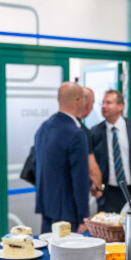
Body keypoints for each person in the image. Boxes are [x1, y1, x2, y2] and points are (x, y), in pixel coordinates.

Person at [34, 81, 91, 233]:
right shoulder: (76, 133)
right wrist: (84, 217)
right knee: (67, 255)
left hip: (47, 206)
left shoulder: (43, 127)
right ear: (78, 101)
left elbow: (37, 165)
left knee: (48, 253)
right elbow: (80, 178)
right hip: (67, 211)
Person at [90, 89, 131, 213]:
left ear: (120, 106)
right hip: (109, 195)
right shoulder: (95, 132)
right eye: (102, 103)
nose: (104, 106)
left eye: (109, 103)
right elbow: (91, 165)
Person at [76, 86, 104, 210]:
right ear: (87, 105)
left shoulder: (48, 127)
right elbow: (92, 168)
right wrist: (97, 187)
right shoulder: (82, 132)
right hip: (73, 203)